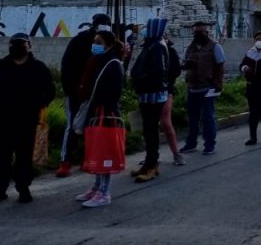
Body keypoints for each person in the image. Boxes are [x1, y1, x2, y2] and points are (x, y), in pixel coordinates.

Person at [0, 33, 55, 204]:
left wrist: (37, 105)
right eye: (14, 44)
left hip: (26, 119)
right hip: (2, 118)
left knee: (24, 156)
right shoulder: (0, 66)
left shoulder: (38, 68)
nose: (17, 47)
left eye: (21, 44)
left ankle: (23, 188)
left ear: (29, 46)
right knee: (2, 155)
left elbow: (49, 92)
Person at [56, 12, 111, 177]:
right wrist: (70, 91)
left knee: (90, 127)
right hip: (75, 93)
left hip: (93, 94)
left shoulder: (108, 45)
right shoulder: (79, 41)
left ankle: (86, 159)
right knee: (72, 126)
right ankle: (65, 161)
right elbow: (66, 66)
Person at [77, 28, 125, 208]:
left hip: (106, 113)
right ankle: (97, 187)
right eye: (94, 41)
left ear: (109, 44)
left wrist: (102, 107)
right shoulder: (100, 61)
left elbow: (114, 91)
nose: (95, 45)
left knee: (104, 152)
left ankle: (104, 192)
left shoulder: (113, 63)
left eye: (99, 42)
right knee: (96, 150)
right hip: (97, 112)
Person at [129, 17, 169, 183]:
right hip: (147, 94)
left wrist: (140, 79)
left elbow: (157, 72)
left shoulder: (157, 47)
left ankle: (151, 165)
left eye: (147, 28)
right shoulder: (151, 45)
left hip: (153, 95)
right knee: (148, 130)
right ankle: (149, 163)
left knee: (151, 131)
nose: (144, 30)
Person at [181, 21, 225, 156]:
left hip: (208, 87)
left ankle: (209, 145)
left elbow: (220, 65)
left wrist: (218, 83)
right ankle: (191, 143)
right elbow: (185, 62)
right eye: (195, 32)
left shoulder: (215, 46)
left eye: (201, 32)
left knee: (208, 118)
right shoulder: (191, 47)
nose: (198, 34)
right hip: (192, 87)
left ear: (206, 32)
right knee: (192, 118)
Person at [159, 35, 186, 166]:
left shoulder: (170, 51)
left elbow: (176, 71)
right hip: (149, 92)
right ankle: (152, 155)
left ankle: (177, 154)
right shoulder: (150, 49)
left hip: (165, 91)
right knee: (150, 126)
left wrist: (165, 80)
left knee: (166, 123)